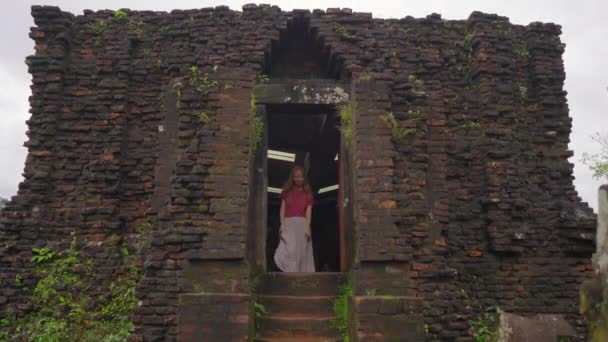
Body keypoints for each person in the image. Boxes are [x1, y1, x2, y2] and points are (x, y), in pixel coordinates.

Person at [273, 165, 315, 272]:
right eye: (296, 177)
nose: (298, 179)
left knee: (301, 253)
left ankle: (301, 278)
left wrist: (307, 227)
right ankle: (290, 275)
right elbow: (282, 210)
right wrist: (282, 224)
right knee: (290, 251)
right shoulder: (286, 192)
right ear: (292, 178)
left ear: (304, 178)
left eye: (301, 177)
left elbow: (308, 212)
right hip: (288, 224)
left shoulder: (308, 194)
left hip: (302, 224)